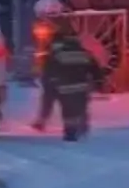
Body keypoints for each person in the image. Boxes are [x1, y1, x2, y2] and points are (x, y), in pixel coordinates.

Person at [35, 12, 104, 140]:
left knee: (66, 109)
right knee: (80, 106)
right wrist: (99, 81)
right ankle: (82, 127)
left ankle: (68, 132)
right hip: (81, 85)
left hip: (64, 85)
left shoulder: (55, 48)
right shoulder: (82, 51)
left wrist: (49, 78)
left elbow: (50, 65)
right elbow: (94, 66)